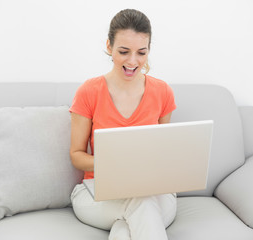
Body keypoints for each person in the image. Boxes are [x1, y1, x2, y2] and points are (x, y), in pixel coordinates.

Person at [69, 9, 177, 240]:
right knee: (141, 207)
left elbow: (165, 151)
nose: (132, 61)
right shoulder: (89, 91)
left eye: (141, 52)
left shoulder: (163, 92)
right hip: (97, 192)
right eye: (124, 51)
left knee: (129, 221)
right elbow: (76, 155)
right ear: (109, 46)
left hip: (154, 192)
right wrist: (114, 164)